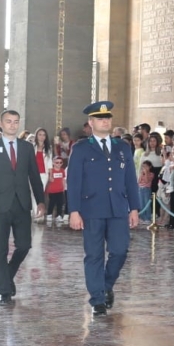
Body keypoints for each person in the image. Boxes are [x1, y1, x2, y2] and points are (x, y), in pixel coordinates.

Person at [67, 101, 141, 316]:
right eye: (100, 118)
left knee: (119, 251)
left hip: (118, 208)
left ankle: (106, 285)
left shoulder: (122, 147)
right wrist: (74, 211)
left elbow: (130, 179)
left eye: (107, 118)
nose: (105, 121)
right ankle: (97, 299)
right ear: (91, 122)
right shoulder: (81, 148)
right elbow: (74, 182)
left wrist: (134, 208)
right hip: (91, 209)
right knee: (94, 255)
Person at [0, 109, 46, 306]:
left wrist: (41, 200)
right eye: (8, 121)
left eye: (16, 122)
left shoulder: (26, 147)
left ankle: (7, 275)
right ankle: (5, 292)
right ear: (1, 123)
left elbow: (34, 176)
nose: (12, 125)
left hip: (22, 204)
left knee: (24, 245)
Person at [47, 155, 68, 223]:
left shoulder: (62, 171)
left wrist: (64, 187)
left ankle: (59, 215)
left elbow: (63, 180)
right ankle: (49, 214)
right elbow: (49, 180)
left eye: (60, 162)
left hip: (60, 190)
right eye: (57, 162)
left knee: (60, 203)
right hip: (52, 191)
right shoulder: (51, 171)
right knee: (52, 203)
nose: (59, 164)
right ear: (53, 163)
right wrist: (50, 176)